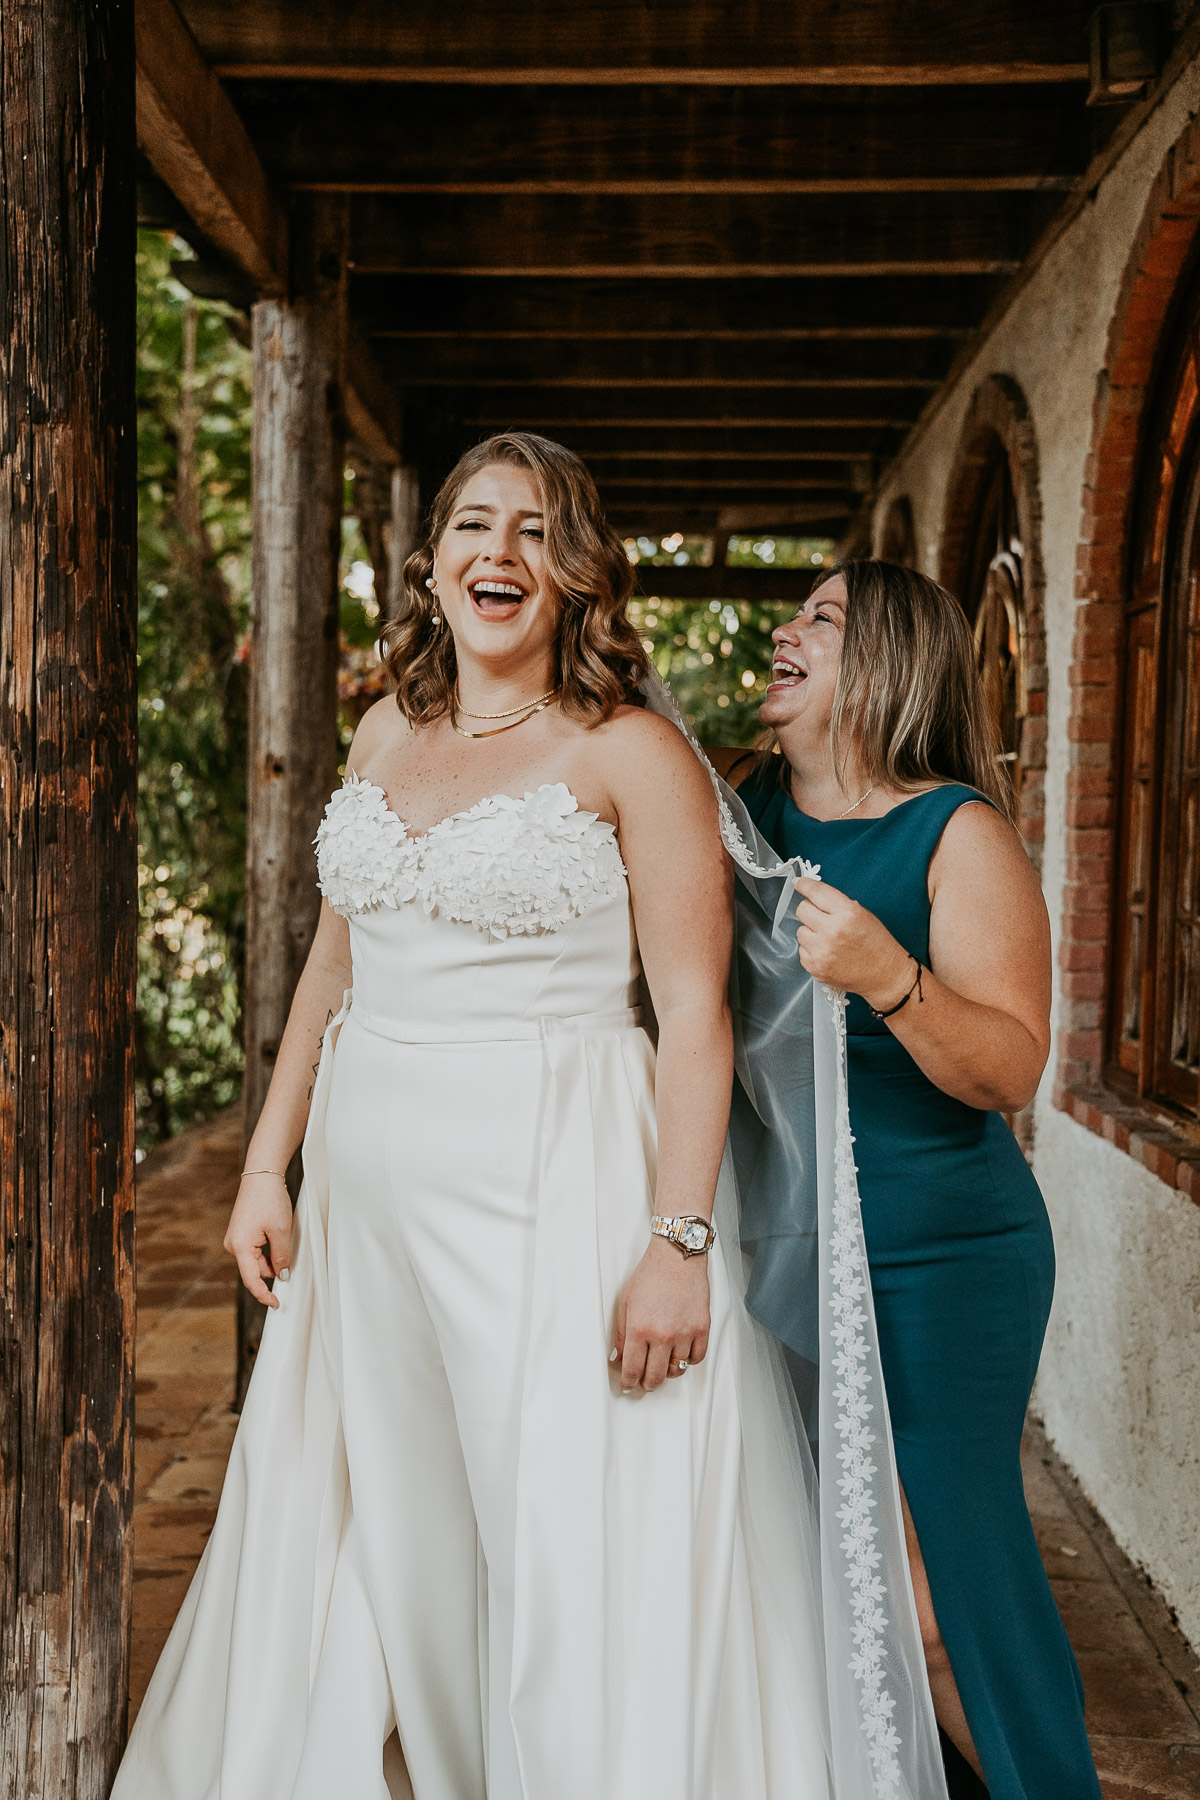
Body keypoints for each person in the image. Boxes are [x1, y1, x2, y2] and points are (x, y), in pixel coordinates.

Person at [113, 433, 855, 1800]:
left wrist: (678, 1241)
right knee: (397, 1504)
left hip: (554, 1177)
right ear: (430, 561)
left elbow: (695, 1015)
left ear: (575, 575)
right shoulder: (386, 727)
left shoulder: (632, 756)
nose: (496, 554)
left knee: (556, 1511)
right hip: (369, 1190)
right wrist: (265, 1165)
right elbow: (336, 963)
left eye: (533, 531)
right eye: (472, 525)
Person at [725, 560, 1103, 1800]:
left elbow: (1008, 1068)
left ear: (890, 665)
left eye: (823, 620)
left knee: (946, 1597)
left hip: (941, 1257)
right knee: (819, 1575)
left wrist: (890, 974)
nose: (788, 629)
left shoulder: (956, 832)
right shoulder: (737, 816)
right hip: (778, 1252)